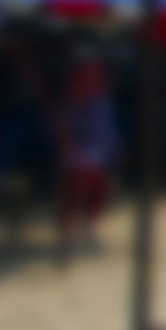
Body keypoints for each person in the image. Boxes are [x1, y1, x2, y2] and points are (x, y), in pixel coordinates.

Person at [54, 54, 118, 261]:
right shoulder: (70, 100)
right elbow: (61, 130)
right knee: (75, 184)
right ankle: (71, 229)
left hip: (96, 154)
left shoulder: (101, 101)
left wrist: (116, 147)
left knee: (96, 184)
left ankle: (89, 225)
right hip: (74, 153)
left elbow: (107, 131)